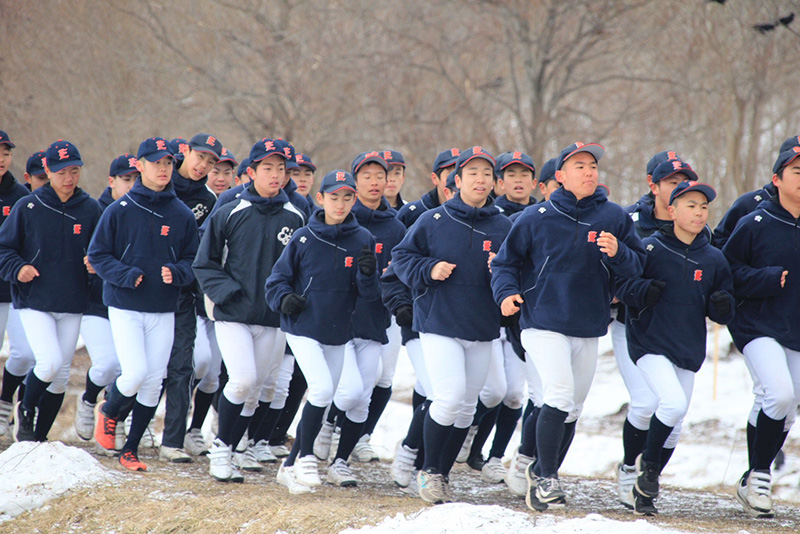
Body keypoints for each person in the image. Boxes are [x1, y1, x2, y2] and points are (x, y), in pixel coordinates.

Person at [491, 142, 644, 511]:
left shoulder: (614, 217)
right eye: (580, 166)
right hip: (541, 321)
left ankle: (540, 469)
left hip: (589, 325)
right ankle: (546, 478)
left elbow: (637, 266)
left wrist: (618, 252)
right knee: (557, 396)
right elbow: (504, 264)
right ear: (560, 176)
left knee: (572, 407)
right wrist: (506, 294)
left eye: (592, 165)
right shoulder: (535, 217)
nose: (589, 171)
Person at [392, 146, 512, 504]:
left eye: (486, 174)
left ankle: (441, 474)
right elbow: (401, 258)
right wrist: (428, 269)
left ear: (494, 182)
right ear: (455, 181)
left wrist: (503, 272)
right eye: (472, 173)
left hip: (482, 326)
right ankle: (427, 471)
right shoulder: (434, 220)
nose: (480, 180)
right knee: (447, 396)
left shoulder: (504, 225)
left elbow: (521, 269)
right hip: (439, 323)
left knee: (466, 405)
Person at [618, 181, 734, 515]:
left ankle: (645, 492)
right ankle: (648, 471)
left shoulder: (713, 258)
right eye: (690, 206)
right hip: (649, 341)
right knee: (671, 403)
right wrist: (642, 291)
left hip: (688, 346)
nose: (698, 213)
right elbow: (624, 287)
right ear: (672, 211)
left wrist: (723, 305)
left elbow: (724, 306)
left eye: (703, 207)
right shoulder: (650, 247)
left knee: (676, 420)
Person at [193, 138, 305, 482]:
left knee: (256, 390)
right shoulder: (229, 210)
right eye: (267, 168)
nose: (276, 175)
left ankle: (234, 446)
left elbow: (306, 267)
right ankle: (222, 451)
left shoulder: (298, 215)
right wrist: (227, 294)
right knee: (241, 381)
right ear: (251, 172)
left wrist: (293, 300)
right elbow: (204, 262)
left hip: (272, 318)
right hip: (232, 313)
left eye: (281, 169)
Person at [266, 169, 379, 494]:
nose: (340, 204)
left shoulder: (363, 240)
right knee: (321, 389)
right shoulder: (304, 237)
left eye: (347, 197)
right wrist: (284, 298)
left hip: (338, 329)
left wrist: (369, 276)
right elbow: (276, 280)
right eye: (334, 197)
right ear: (321, 198)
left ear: (354, 200)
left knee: (327, 394)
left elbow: (368, 295)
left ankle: (288, 467)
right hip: (302, 327)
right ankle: (306, 458)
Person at [90, 137, 198, 471]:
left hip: (163, 307)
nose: (163, 169)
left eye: (168, 163)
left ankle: (131, 449)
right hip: (125, 304)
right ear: (140, 165)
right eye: (156, 163)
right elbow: (98, 255)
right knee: (135, 373)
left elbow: (193, 259)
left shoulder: (181, 214)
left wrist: (177, 272)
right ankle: (108, 410)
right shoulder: (119, 210)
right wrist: (125, 274)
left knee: (154, 381)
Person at [312, 151, 406, 485]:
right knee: (345, 388)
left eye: (381, 176)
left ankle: (341, 459)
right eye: (366, 176)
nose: (376, 182)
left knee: (365, 391)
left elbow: (399, 272)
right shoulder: (331, 219)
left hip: (372, 318)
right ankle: (323, 427)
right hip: (335, 318)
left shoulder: (395, 226)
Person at [0, 139, 102, 442]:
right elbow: (4, 248)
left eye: (74, 171)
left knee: (59, 377)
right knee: (48, 362)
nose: (68, 179)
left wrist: (96, 263)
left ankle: (39, 440)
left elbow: (103, 250)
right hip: (35, 300)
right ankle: (26, 417)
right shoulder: (29, 205)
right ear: (47, 170)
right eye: (61, 173)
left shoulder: (91, 208)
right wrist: (18, 268)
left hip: (72, 301)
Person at [611, 154, 698, 508]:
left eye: (685, 181)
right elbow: (608, 265)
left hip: (677, 330)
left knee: (675, 416)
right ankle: (629, 468)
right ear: (653, 185)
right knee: (648, 402)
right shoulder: (629, 220)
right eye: (671, 182)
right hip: (632, 325)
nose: (679, 188)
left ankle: (649, 482)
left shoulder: (697, 225)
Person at [723, 146, 800, 518]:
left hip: (795, 327)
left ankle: (753, 474)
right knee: (779, 394)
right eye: (797, 171)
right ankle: (759, 475)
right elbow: (727, 273)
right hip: (756, 324)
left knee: (787, 407)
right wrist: (766, 278)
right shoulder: (755, 221)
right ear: (776, 179)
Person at [161, 133, 222, 463]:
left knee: (187, 364)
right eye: (201, 157)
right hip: (149, 288)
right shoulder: (162, 182)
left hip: (184, 289)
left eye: (211, 162)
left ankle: (174, 438)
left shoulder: (209, 200)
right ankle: (123, 416)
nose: (204, 166)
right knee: (149, 366)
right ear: (184, 152)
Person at [74, 154, 139, 443]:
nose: (132, 185)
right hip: (96, 303)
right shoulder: (94, 210)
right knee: (109, 365)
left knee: (132, 368)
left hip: (130, 302)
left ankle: (114, 418)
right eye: (127, 179)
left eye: (137, 179)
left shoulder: (144, 211)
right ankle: (89, 400)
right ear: (111, 181)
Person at [0, 131, 34, 437]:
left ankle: (5, 401)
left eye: (6, 152)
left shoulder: (22, 197)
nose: (1, 158)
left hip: (16, 289)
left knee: (26, 353)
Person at [396, 148, 459, 228]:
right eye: (450, 174)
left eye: (460, 174)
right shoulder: (412, 213)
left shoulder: (474, 213)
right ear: (435, 178)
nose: (456, 180)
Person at [494, 151, 537, 216]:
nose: (518, 180)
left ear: (534, 183)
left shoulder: (540, 214)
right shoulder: (493, 214)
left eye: (524, 175)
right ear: (502, 183)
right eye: (511, 175)